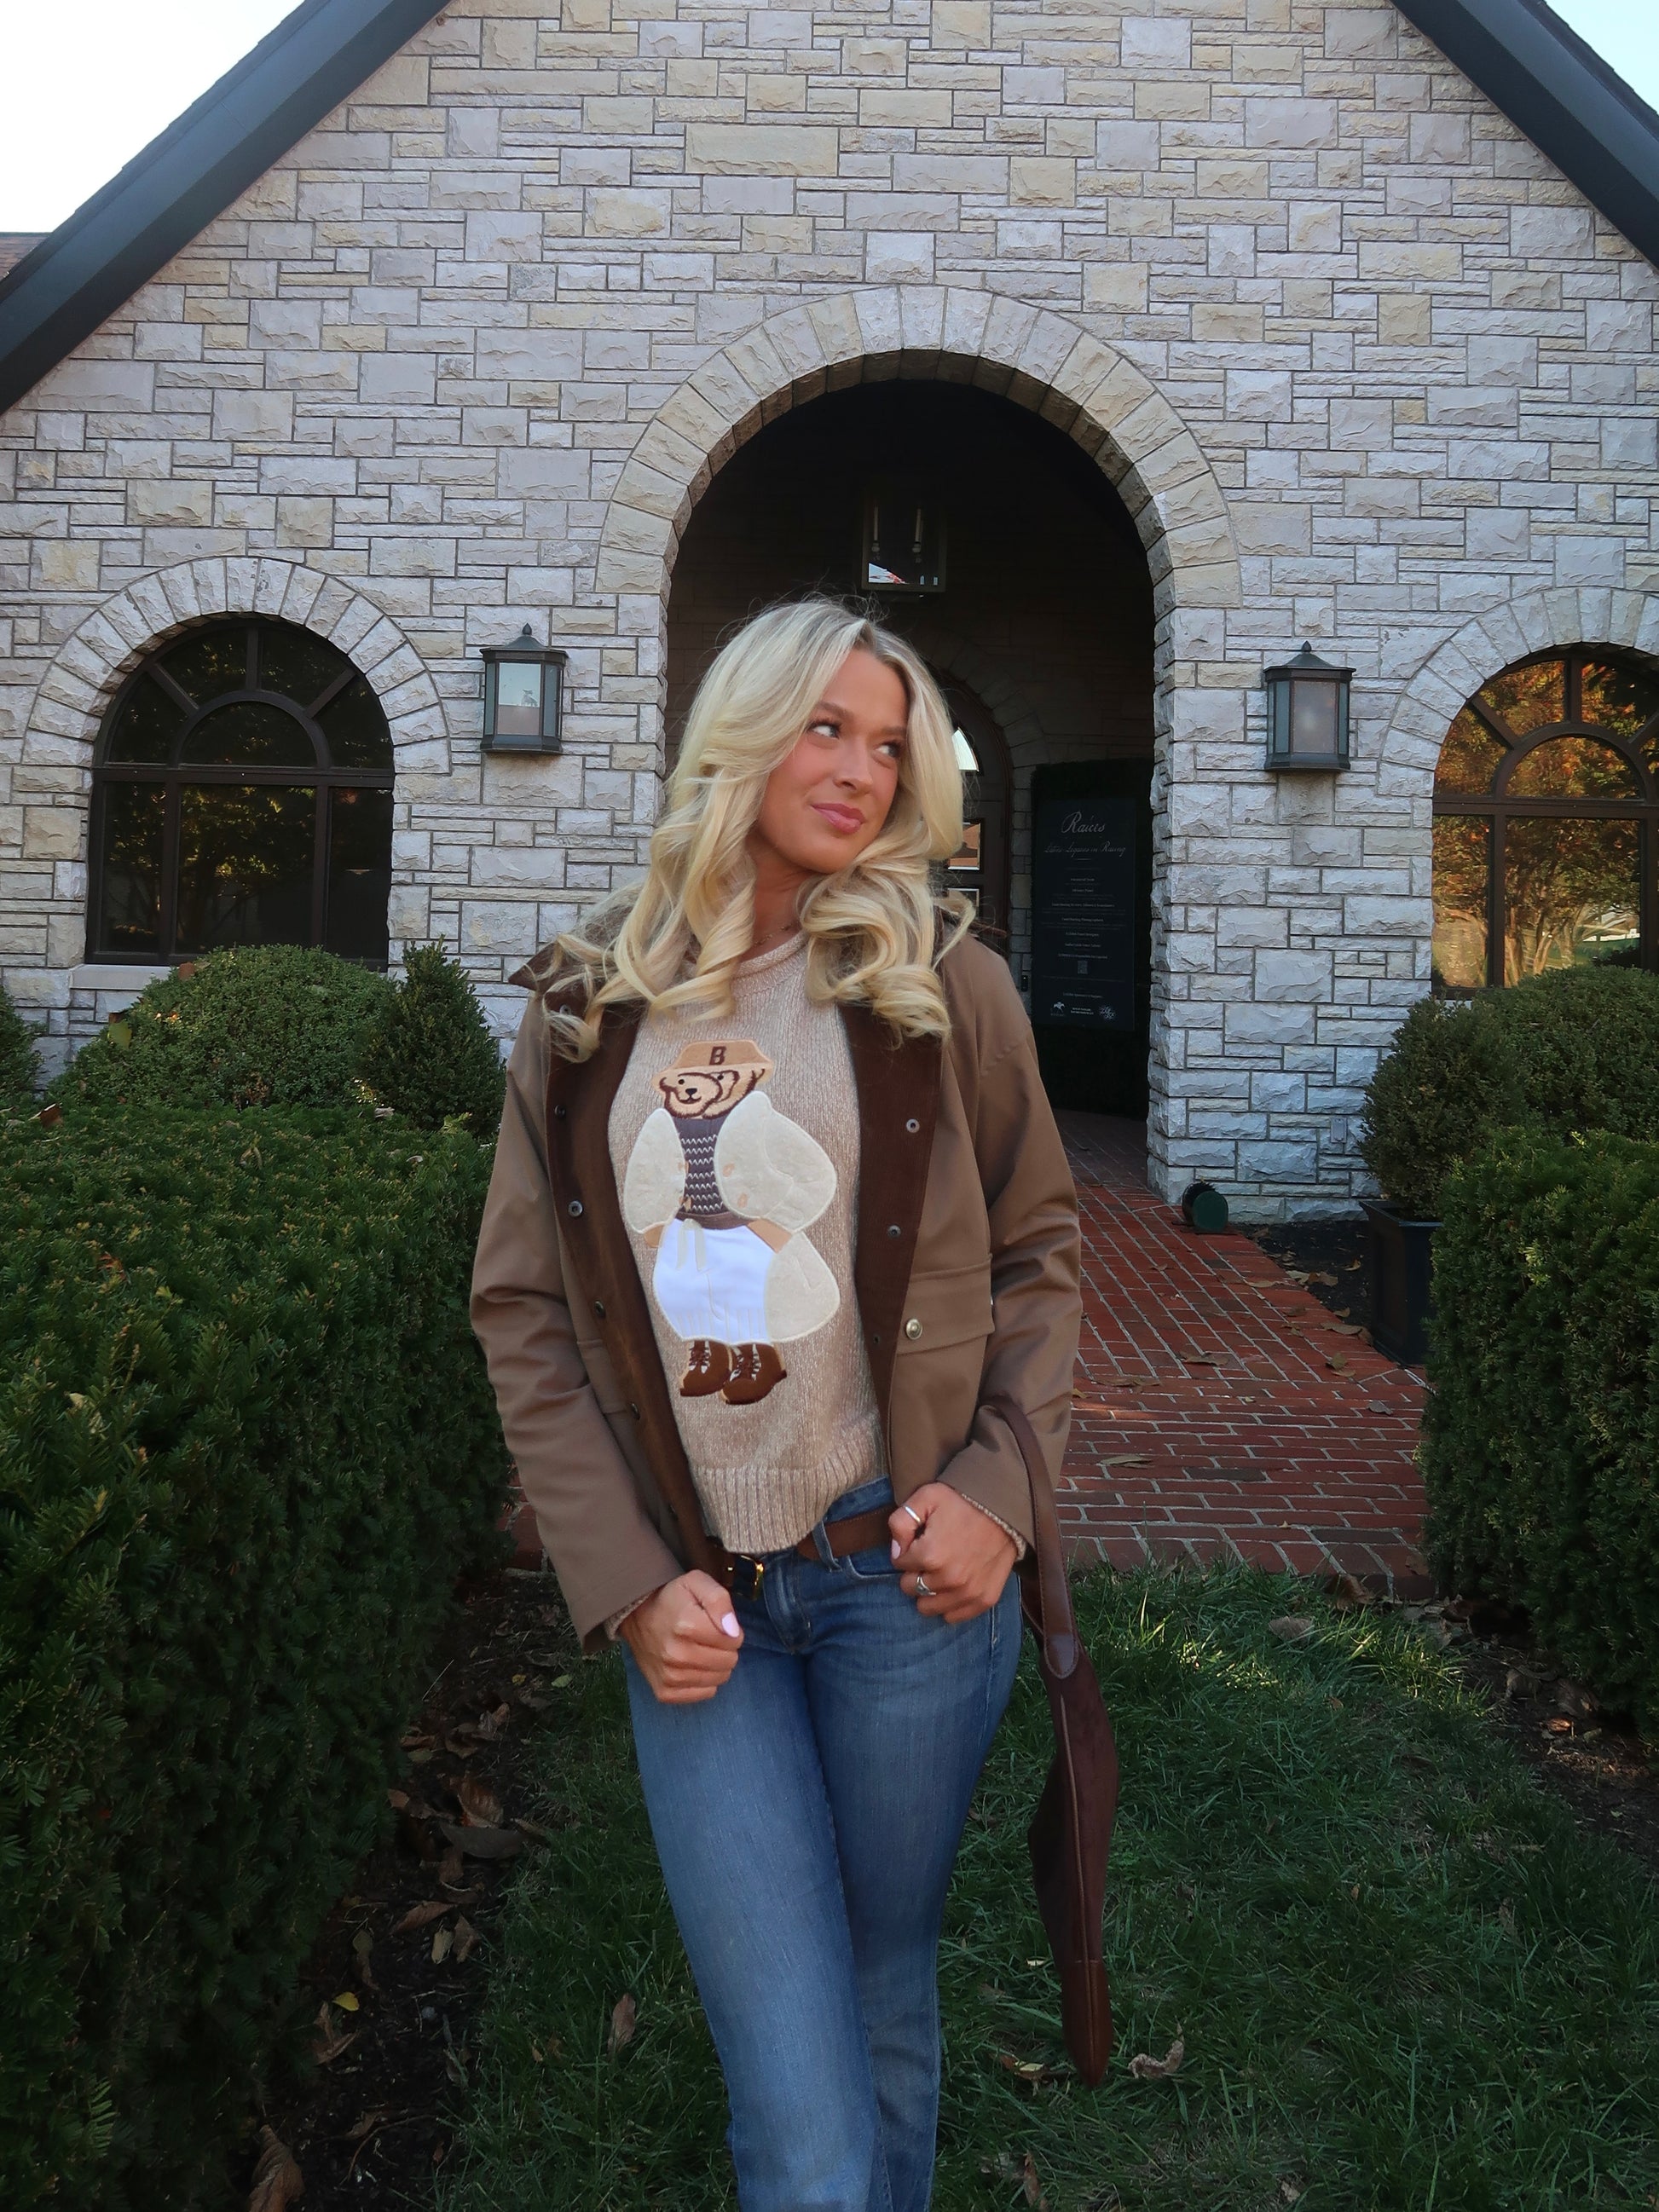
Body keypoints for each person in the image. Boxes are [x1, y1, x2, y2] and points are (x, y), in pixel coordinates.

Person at [471, 597, 1082, 2212]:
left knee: (880, 1979)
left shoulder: (941, 984)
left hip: (905, 1585)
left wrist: (998, 1491)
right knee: (800, 2116)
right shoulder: (584, 1001)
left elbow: (1041, 1253)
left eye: (890, 744)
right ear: (739, 734)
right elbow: (521, 1307)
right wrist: (622, 1579)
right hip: (701, 1611)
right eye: (826, 727)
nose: (863, 770)